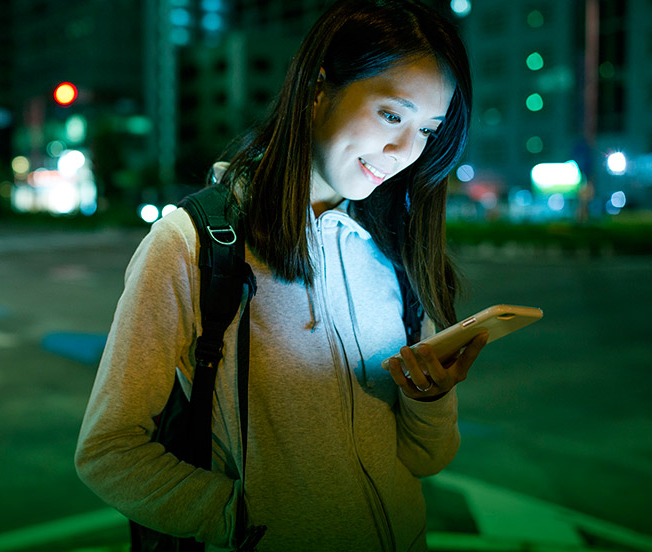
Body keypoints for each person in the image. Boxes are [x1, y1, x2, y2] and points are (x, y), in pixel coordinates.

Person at [75, 0, 489, 549]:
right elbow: (109, 451)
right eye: (392, 114)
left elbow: (427, 458)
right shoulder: (192, 244)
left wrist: (428, 399)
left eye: (428, 131)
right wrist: (240, 521)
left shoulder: (395, 252)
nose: (405, 151)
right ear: (319, 89)